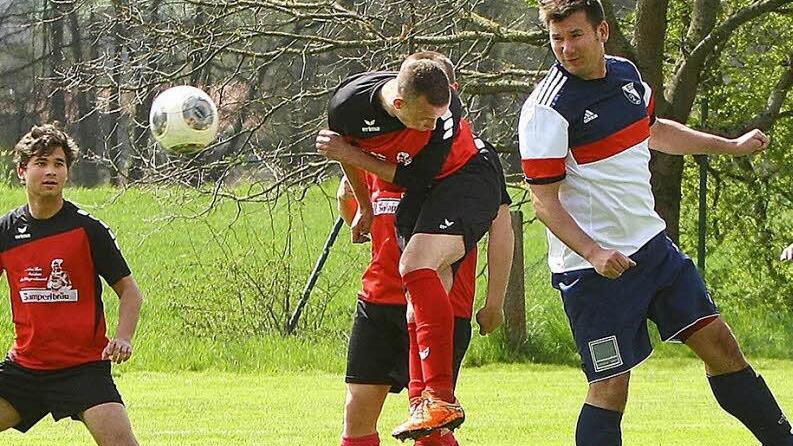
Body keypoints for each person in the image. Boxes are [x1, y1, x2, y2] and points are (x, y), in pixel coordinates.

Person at [518, 1, 793, 445]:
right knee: (611, 387)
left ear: (602, 31)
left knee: (722, 346)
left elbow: (656, 130)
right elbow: (544, 202)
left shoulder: (626, 75)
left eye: (575, 35)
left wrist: (729, 146)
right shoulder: (546, 110)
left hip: (653, 251)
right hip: (593, 271)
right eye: (557, 39)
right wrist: (594, 251)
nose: (566, 48)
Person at [317, 52, 507, 440]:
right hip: (380, 298)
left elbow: (417, 179)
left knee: (417, 267)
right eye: (425, 118)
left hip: (445, 286)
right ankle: (431, 402)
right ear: (401, 102)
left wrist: (495, 301)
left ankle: (438, 398)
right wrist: (363, 204)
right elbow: (349, 162)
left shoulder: (449, 131)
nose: (433, 124)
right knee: (359, 410)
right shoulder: (357, 113)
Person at [0, 123, 143, 445]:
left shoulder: (88, 230)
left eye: (59, 163)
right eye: (41, 163)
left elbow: (130, 293)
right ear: (22, 171)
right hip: (24, 370)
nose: (51, 171)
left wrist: (123, 338)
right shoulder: (6, 231)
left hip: (83, 369)